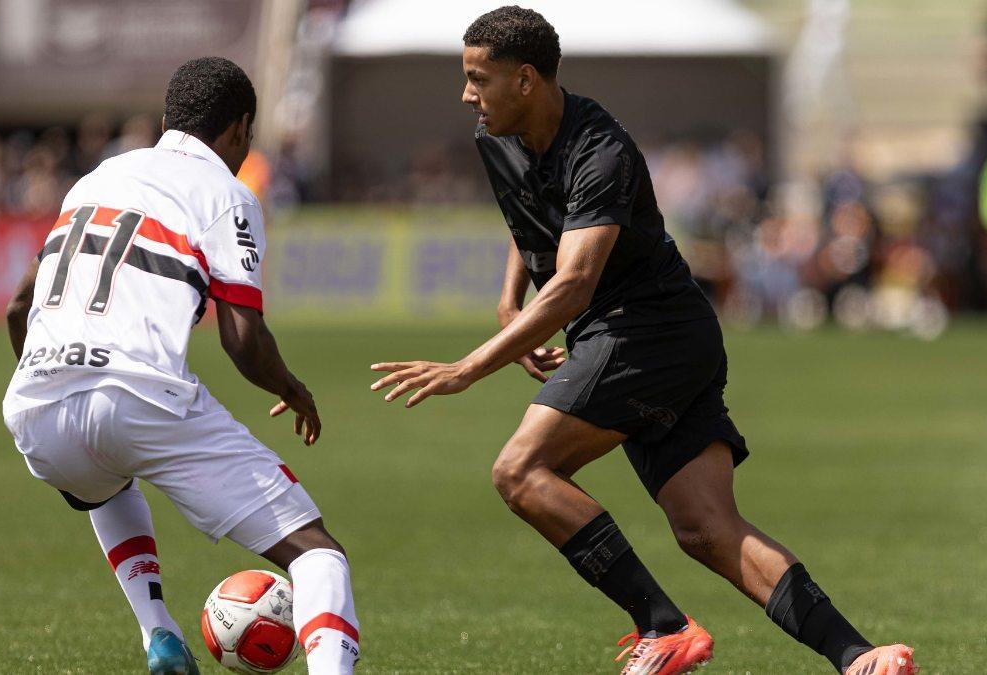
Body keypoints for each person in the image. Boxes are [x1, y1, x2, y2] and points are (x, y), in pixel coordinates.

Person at [370, 7, 916, 675]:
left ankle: (664, 626)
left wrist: (470, 365)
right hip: (646, 337)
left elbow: (573, 283)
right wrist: (510, 301)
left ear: (526, 81)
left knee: (520, 471)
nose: (466, 95)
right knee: (706, 529)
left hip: (646, 331)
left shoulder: (603, 151)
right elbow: (529, 222)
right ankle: (859, 655)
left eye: (477, 79)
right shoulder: (496, 136)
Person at [2, 57, 359, 675]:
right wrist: (293, 388)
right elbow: (243, 342)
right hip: (141, 395)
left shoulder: (95, 179)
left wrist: (54, 381)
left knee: (102, 481)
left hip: (33, 406)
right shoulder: (227, 193)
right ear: (241, 130)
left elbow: (17, 307)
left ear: (169, 119)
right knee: (316, 552)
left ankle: (158, 633)